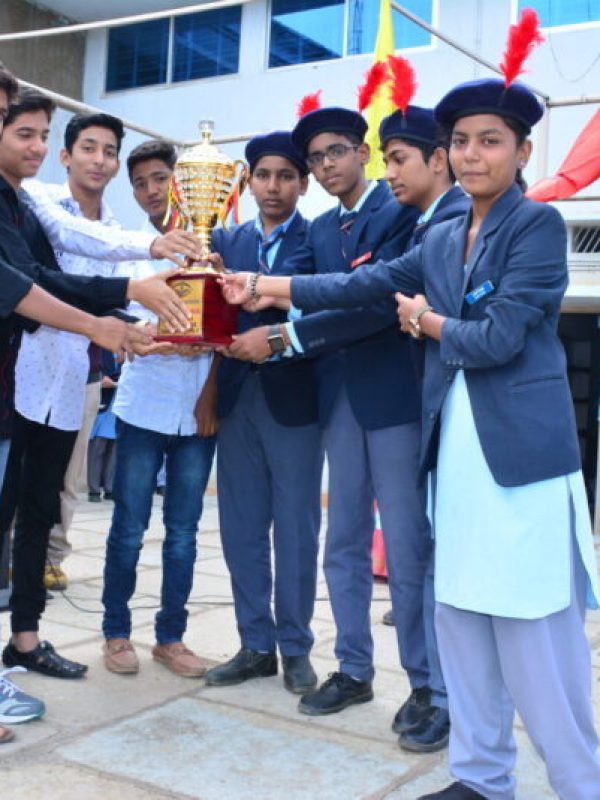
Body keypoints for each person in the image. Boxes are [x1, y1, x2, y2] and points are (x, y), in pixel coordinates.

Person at [221, 76, 600, 800]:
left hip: (519, 457)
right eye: (460, 142)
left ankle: (581, 784)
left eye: (490, 142)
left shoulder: (536, 226)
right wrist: (264, 287)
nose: (471, 155)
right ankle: (482, 778)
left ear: (522, 151)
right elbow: (364, 285)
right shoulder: (446, 233)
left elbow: (499, 337)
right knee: (458, 615)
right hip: (453, 447)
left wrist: (428, 325)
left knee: (532, 635)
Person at [0, 88, 190, 683]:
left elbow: (89, 257)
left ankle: (25, 640)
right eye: (89, 148)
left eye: (111, 150)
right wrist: (142, 267)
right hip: (18, 378)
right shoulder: (37, 200)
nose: (100, 161)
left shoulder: (48, 209)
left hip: (67, 382)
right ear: (67, 155)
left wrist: (142, 327)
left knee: (41, 513)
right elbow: (48, 278)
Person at [201, 132, 323, 694]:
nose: (273, 187)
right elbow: (206, 321)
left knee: (295, 530)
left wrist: (278, 327)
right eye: (263, 176)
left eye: (285, 176)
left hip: (295, 400)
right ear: (248, 182)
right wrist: (207, 392)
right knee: (241, 529)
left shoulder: (320, 239)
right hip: (236, 399)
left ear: (302, 183)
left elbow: (328, 309)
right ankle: (255, 644)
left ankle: (295, 647)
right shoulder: (222, 238)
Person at [372, 101, 470, 751]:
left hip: (463, 418)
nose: (389, 174)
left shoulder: (461, 222)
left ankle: (450, 695)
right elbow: (373, 287)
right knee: (419, 562)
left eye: (398, 159)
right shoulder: (427, 226)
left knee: (445, 566)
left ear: (438, 161)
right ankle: (432, 686)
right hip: (427, 412)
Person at [101, 139, 216, 678]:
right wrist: (169, 336)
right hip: (143, 408)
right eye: (141, 182)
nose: (151, 190)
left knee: (185, 530)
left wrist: (208, 343)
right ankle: (116, 632)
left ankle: (171, 637)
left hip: (195, 414)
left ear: (183, 181)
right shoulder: (127, 251)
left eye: (160, 178)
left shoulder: (217, 243)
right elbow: (124, 328)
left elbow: (227, 324)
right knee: (128, 525)